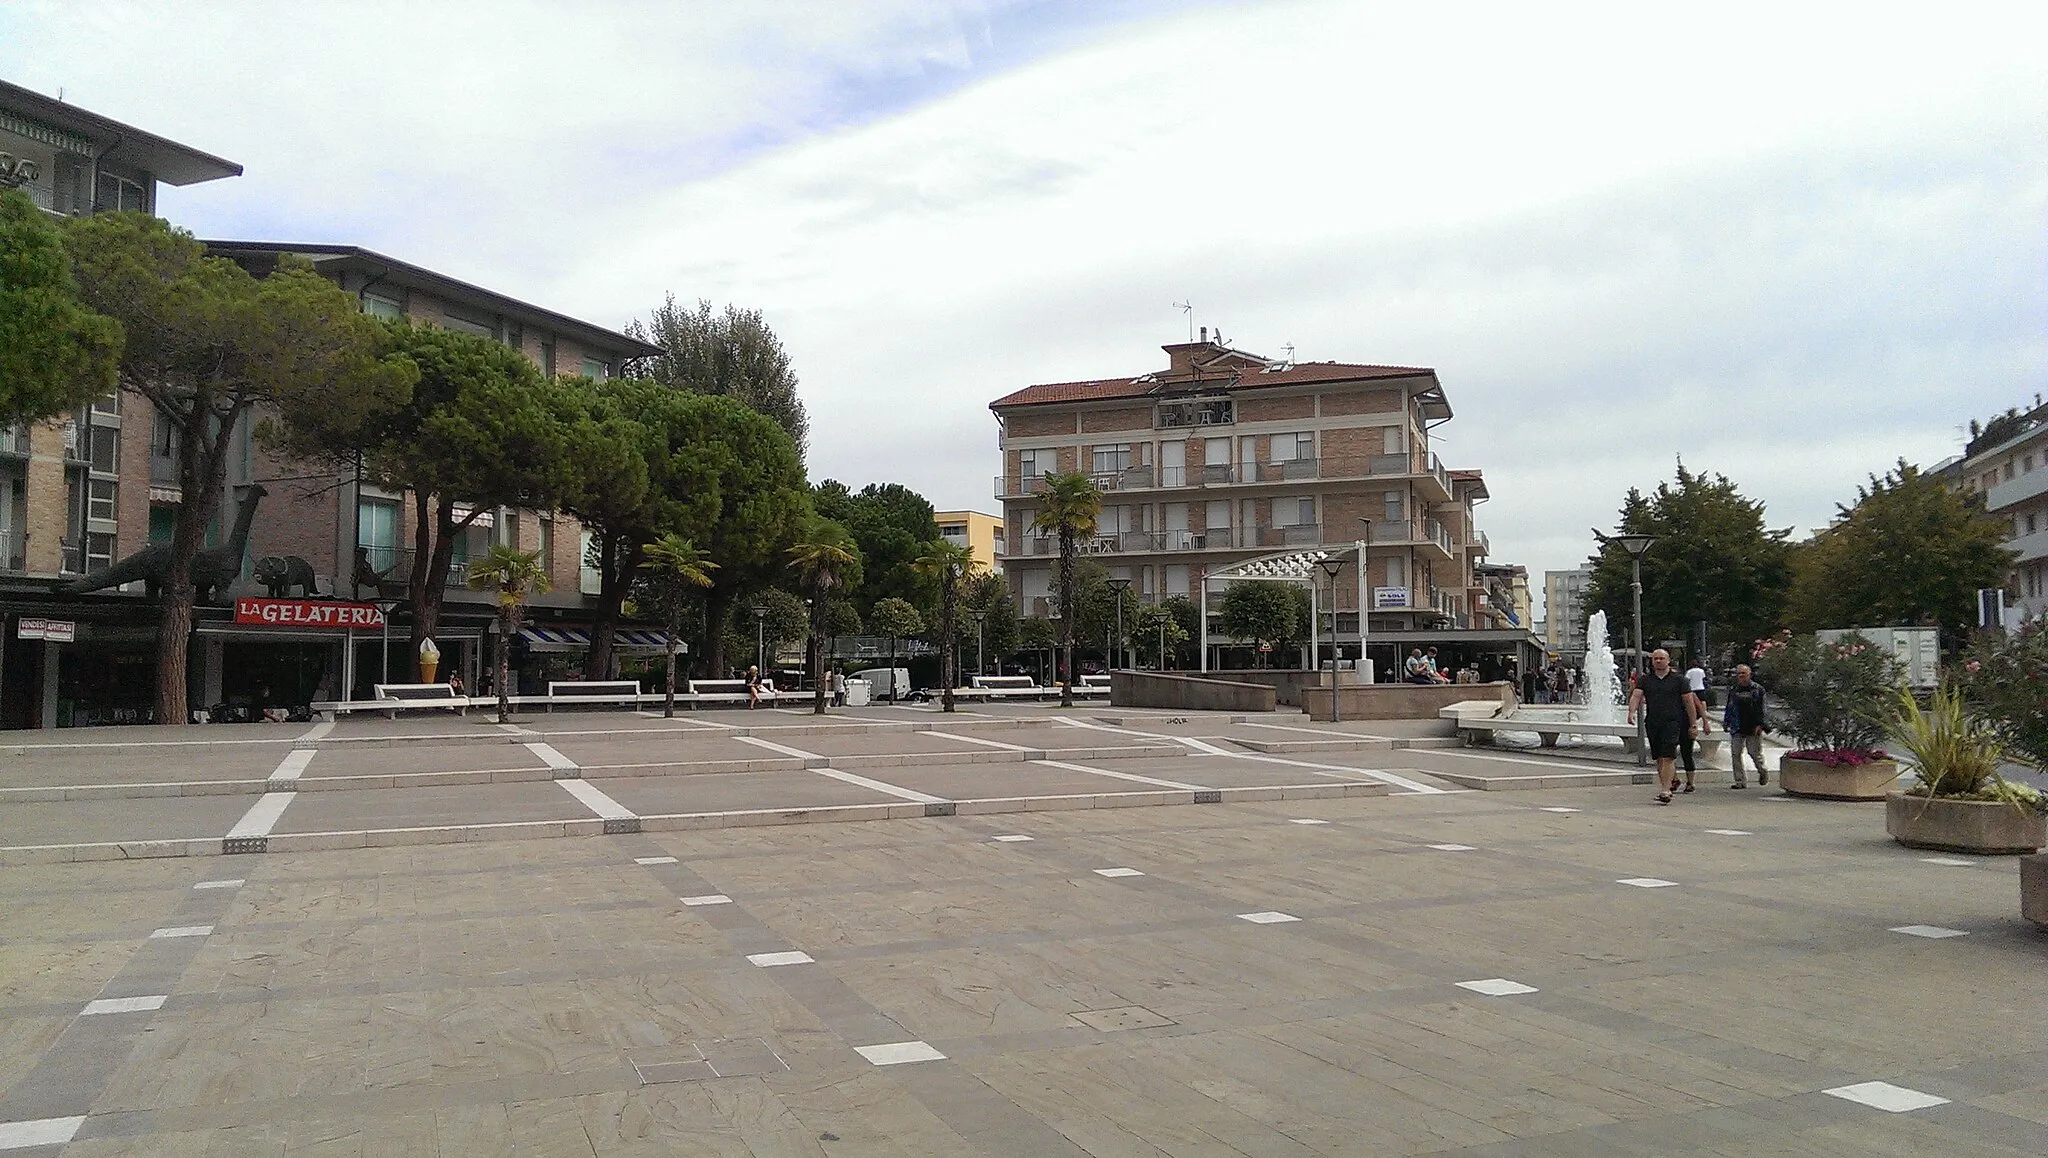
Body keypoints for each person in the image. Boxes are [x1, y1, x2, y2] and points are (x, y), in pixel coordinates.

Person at [1628, 648, 1698, 805]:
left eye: (1661, 658)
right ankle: (1666, 785)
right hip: (1653, 721)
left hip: (1673, 722)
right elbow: (1637, 695)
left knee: (1668, 755)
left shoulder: (1679, 680)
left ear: (1668, 661)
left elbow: (1689, 702)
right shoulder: (1645, 680)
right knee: (1659, 757)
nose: (1658, 661)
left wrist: (1693, 724)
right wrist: (1631, 712)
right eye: (1655, 659)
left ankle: (1666, 790)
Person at [1721, 663, 1770, 788]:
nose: (1741, 676)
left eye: (1743, 673)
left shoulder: (1758, 689)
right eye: (1738, 674)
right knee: (1735, 754)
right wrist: (1726, 722)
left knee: (1754, 753)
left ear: (1749, 674)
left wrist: (1761, 724)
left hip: (1753, 727)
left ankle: (1762, 771)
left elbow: (1763, 709)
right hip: (1737, 726)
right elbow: (1729, 707)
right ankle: (1740, 781)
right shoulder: (1734, 690)